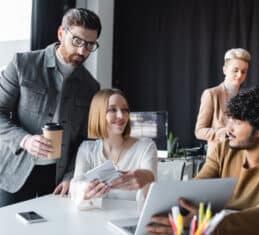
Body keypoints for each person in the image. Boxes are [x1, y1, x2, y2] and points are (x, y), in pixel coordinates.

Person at [147, 86, 259, 235]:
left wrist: (211, 226)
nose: (228, 129)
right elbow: (197, 188)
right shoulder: (224, 150)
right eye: (229, 120)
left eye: (237, 122)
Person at [0, 8, 101, 207]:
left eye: (90, 45)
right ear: (61, 33)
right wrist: (25, 140)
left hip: (57, 179)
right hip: (14, 171)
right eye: (77, 41)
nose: (83, 51)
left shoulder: (91, 87)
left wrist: (72, 176)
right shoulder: (22, 64)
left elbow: (85, 140)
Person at [69, 89, 158, 209]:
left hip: (131, 221)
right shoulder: (86, 149)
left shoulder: (146, 147)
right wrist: (86, 190)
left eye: (125, 110)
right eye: (113, 109)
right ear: (99, 113)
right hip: (93, 221)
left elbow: (150, 195)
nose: (121, 116)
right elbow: (75, 187)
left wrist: (148, 178)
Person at [195, 48, 251, 155]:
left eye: (244, 71)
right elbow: (199, 131)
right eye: (235, 70)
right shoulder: (211, 94)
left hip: (241, 157)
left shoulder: (246, 96)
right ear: (225, 69)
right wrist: (223, 132)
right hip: (218, 157)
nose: (240, 75)